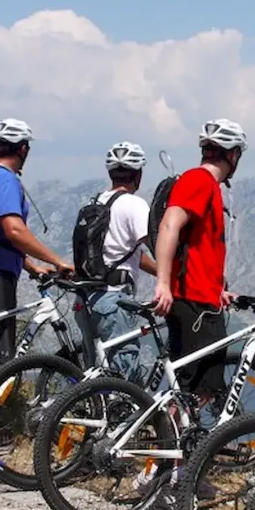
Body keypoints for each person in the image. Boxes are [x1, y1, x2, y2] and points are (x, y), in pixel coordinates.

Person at [0, 118, 74, 366]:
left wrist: (32, 267)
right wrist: (57, 260)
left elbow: (0, 234)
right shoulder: (4, 179)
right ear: (23, 149)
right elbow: (14, 231)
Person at [152, 119, 245, 406]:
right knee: (197, 391)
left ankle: (178, 445)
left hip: (203, 297)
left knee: (195, 389)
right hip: (193, 302)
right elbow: (170, 225)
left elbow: (198, 246)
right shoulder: (199, 181)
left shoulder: (209, 187)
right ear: (232, 154)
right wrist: (163, 284)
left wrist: (218, 288)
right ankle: (168, 443)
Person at [73, 142, 157, 383]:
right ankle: (122, 421)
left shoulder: (95, 203)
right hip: (113, 301)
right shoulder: (134, 205)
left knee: (94, 376)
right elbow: (154, 244)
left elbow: (130, 254)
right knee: (125, 376)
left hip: (86, 299)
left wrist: (161, 273)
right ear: (138, 174)